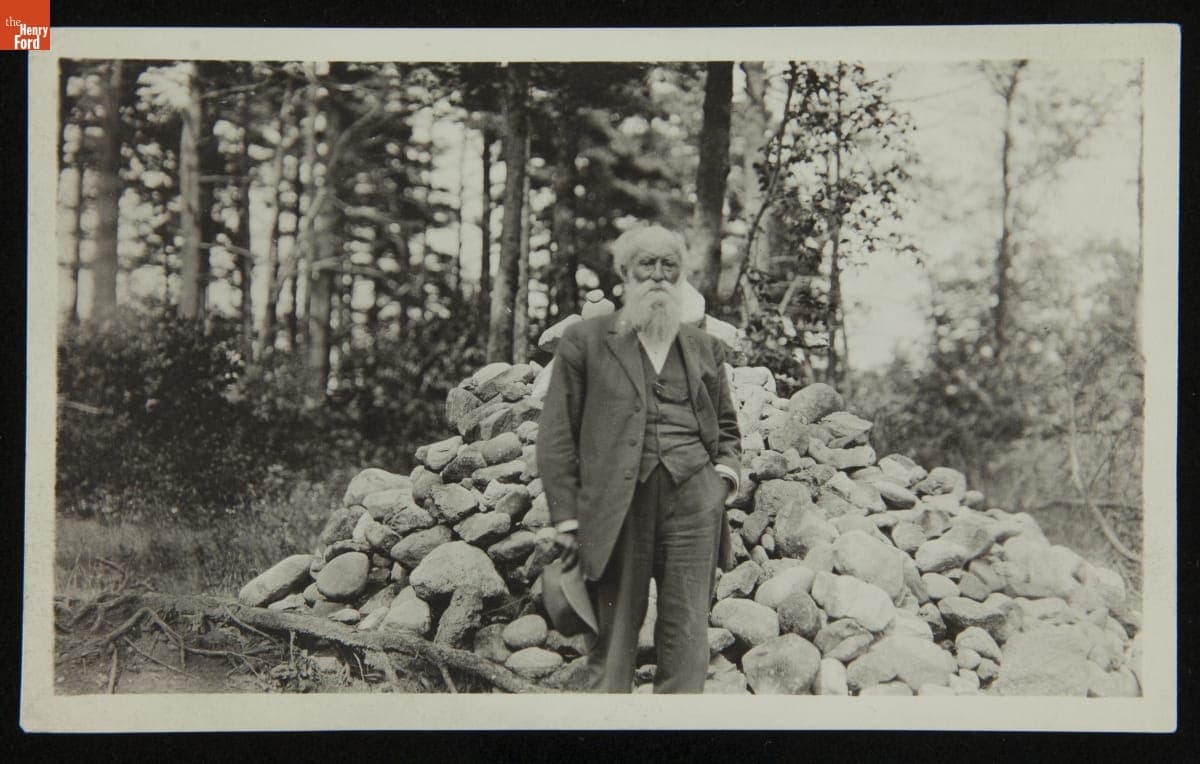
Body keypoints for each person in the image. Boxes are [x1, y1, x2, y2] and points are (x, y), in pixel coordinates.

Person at [536, 224, 742, 693]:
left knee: (688, 640)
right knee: (612, 646)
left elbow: (728, 429)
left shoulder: (705, 346)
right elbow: (556, 436)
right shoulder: (586, 341)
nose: (658, 276)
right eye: (646, 265)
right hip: (616, 507)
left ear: (681, 276)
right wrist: (567, 518)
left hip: (694, 505)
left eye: (669, 266)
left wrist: (721, 483)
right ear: (625, 274)